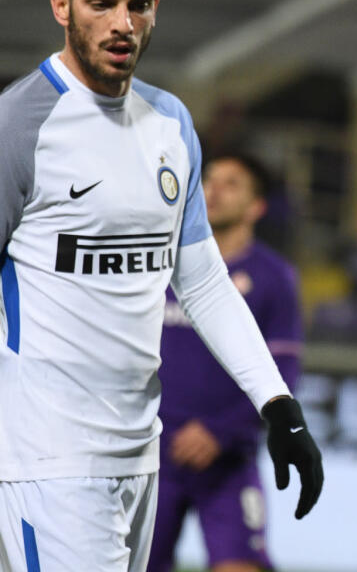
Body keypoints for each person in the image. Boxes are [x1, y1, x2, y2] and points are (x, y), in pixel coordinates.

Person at [0, 0, 322, 572]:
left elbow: (202, 281)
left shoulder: (170, 124)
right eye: (102, 3)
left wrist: (277, 403)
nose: (123, 23)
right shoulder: (17, 126)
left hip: (141, 459)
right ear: (61, 5)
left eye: (138, 3)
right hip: (48, 463)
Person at [149, 153, 305, 572]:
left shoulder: (273, 278)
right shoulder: (158, 263)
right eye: (208, 180)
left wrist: (220, 431)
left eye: (231, 183)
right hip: (150, 455)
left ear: (257, 207)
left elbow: (283, 374)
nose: (213, 191)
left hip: (227, 459)